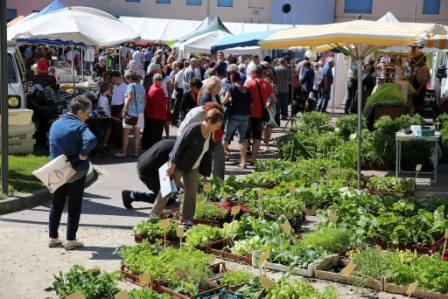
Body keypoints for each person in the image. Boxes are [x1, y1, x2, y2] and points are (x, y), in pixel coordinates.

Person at [148, 109, 225, 227]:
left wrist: (205, 170)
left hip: (194, 166)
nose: (218, 128)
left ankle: (187, 219)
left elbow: (207, 152)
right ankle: (154, 215)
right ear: (209, 121)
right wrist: (172, 165)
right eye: (217, 125)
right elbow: (178, 146)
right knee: (167, 189)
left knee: (191, 192)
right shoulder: (194, 129)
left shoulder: (210, 132)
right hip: (179, 163)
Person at [48, 96, 97, 250]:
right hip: (75, 171)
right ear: (80, 111)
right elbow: (91, 140)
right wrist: (83, 153)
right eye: (87, 113)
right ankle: (70, 240)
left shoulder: (56, 124)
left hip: (56, 170)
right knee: (74, 205)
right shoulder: (80, 126)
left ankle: (53, 238)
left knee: (56, 204)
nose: (88, 116)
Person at [122, 139, 176, 209]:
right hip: (147, 172)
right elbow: (175, 174)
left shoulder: (170, 142)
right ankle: (132, 195)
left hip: (141, 164)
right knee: (167, 200)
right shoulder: (176, 153)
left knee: (171, 189)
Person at [245, 65, 277, 165]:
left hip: (248, 114)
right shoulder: (267, 85)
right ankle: (254, 160)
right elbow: (275, 100)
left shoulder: (248, 83)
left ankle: (243, 160)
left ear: (254, 73)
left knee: (245, 137)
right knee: (257, 137)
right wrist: (268, 105)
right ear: (262, 74)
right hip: (260, 114)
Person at [222, 72, 252, 168]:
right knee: (242, 140)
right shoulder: (246, 89)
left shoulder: (232, 88)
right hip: (245, 117)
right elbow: (251, 104)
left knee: (226, 137)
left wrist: (229, 101)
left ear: (231, 78)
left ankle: (220, 158)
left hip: (234, 116)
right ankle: (243, 162)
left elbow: (224, 101)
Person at [115, 71, 145, 157]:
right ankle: (136, 152)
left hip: (130, 113)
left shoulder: (130, 86)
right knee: (137, 134)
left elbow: (130, 98)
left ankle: (123, 152)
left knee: (126, 134)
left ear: (129, 79)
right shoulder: (142, 87)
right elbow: (145, 100)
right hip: (140, 113)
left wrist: (124, 110)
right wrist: (141, 110)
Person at [142, 73, 169, 150]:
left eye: (161, 79)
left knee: (148, 131)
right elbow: (163, 102)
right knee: (156, 134)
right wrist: (166, 99)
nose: (160, 81)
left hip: (150, 113)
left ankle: (146, 146)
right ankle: (154, 148)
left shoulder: (152, 87)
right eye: (159, 80)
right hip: (157, 115)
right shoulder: (158, 90)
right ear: (155, 80)